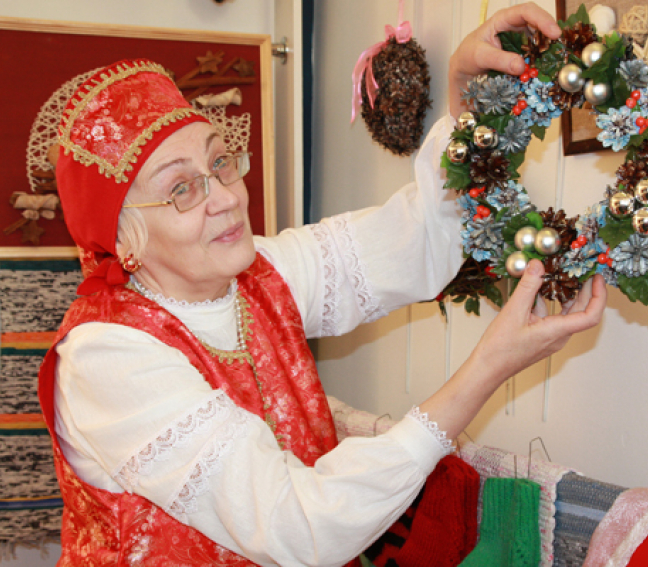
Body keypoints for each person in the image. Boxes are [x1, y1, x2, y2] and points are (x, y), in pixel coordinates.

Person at [38, 4, 606, 566]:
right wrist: (488, 368)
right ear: (125, 240)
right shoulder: (106, 358)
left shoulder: (259, 271)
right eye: (182, 189)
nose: (228, 198)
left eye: (220, 164)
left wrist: (466, 106)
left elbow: (413, 242)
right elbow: (301, 527)